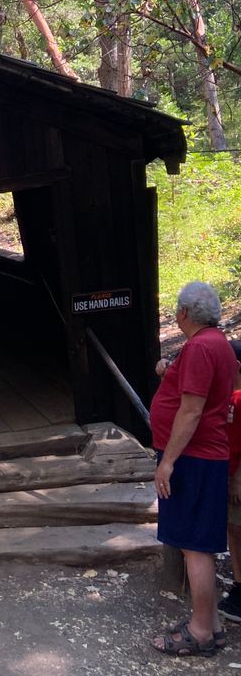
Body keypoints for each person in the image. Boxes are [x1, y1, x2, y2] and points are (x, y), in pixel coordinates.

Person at [149, 282, 238, 657]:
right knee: (196, 543)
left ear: (184, 313)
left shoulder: (202, 347)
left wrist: (168, 461)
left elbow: (191, 409)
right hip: (204, 456)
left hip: (193, 457)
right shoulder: (218, 343)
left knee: (193, 546)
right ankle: (212, 624)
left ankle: (200, 631)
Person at [218, 341, 241, 622]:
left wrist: (237, 478)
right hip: (227, 472)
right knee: (234, 530)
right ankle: (237, 583)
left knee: (237, 530)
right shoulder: (226, 395)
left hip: (237, 478)